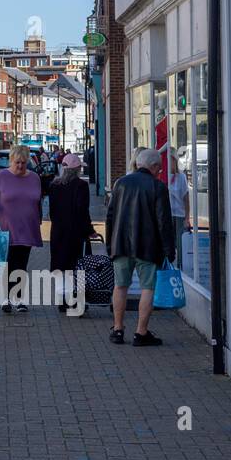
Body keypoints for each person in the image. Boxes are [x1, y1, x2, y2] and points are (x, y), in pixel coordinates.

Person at [108, 147, 176, 347]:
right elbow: (164, 222)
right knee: (148, 288)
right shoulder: (157, 187)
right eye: (159, 169)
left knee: (120, 286)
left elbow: (110, 216)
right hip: (147, 247)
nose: (160, 172)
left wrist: (109, 245)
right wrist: (169, 251)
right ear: (153, 166)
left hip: (121, 245)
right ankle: (141, 332)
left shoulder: (120, 183)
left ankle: (118, 329)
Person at [0, 144, 44, 314]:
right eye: (17, 162)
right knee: (7, 264)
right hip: (5, 228)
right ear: (11, 160)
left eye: (23, 163)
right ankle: (6, 299)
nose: (20, 166)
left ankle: (18, 299)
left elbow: (38, 202)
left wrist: (39, 220)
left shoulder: (34, 178)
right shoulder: (1, 177)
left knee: (21, 265)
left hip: (27, 228)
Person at [47, 153, 95, 313]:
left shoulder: (54, 186)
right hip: (76, 233)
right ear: (77, 170)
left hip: (58, 232)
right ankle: (75, 300)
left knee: (60, 266)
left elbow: (51, 212)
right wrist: (90, 231)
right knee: (77, 266)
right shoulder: (81, 186)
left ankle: (62, 299)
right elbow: (83, 211)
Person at [168, 160, 190, 263]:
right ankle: (169, 264)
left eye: (171, 160)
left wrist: (187, 217)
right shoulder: (163, 176)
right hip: (167, 214)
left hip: (179, 214)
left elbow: (186, 198)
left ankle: (181, 264)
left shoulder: (181, 177)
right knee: (168, 241)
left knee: (180, 242)